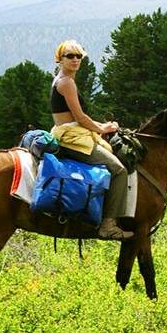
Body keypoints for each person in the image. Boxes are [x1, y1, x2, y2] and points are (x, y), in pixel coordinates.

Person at [50, 40, 133, 240]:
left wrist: (103, 127)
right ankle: (108, 225)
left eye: (79, 56)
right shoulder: (66, 82)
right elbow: (79, 117)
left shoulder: (62, 79)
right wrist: (102, 128)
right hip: (71, 138)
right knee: (119, 170)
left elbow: (74, 116)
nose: (76, 60)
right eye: (70, 56)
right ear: (59, 59)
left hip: (70, 131)